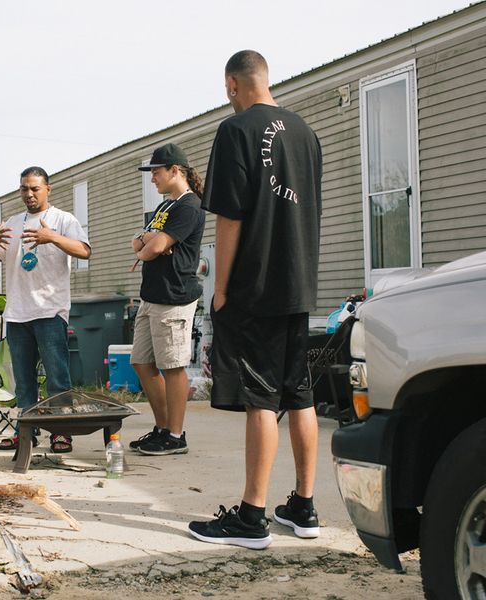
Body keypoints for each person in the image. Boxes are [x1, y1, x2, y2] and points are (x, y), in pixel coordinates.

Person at [188, 50, 323, 549]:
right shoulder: (305, 133)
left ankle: (251, 517)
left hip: (257, 284)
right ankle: (304, 508)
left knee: (261, 398)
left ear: (232, 85)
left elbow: (229, 216)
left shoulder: (236, 130)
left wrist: (220, 287)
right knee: (300, 393)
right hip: (298, 281)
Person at [0, 166, 91, 453]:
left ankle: (61, 432)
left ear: (48, 189)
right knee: (23, 381)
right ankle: (25, 432)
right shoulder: (13, 223)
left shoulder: (63, 219)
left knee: (57, 377)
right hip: (18, 313)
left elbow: (84, 250)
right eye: (24, 189)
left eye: (34, 188)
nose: (28, 194)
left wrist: (51, 237)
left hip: (50, 311)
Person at [129, 143, 205, 456]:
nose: (152, 179)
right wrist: (149, 243)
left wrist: (151, 244)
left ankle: (175, 435)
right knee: (142, 362)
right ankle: (161, 429)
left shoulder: (189, 206)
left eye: (156, 173)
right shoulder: (165, 207)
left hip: (174, 298)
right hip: (151, 297)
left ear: (175, 170)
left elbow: (153, 248)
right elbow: (140, 244)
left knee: (172, 367)